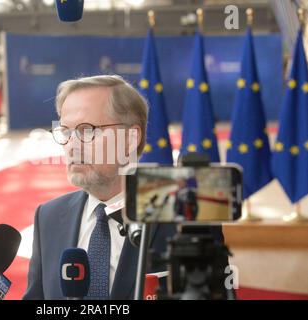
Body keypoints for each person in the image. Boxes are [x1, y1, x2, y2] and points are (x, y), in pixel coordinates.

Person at [23, 75, 225, 300]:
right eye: (66, 131)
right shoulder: (49, 217)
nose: (71, 145)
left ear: (130, 138)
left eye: (86, 131)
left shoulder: (185, 216)